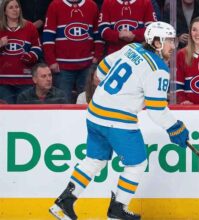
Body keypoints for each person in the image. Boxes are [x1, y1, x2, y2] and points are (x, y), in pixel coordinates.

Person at [49, 21, 189, 220]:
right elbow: (157, 109)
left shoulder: (131, 47)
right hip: (118, 121)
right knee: (137, 163)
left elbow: (100, 71)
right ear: (156, 42)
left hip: (95, 113)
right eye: (168, 41)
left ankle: (64, 202)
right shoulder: (158, 69)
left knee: (94, 160)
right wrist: (176, 128)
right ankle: (117, 209)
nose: (173, 46)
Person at [43, 0, 103, 103]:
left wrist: (97, 55)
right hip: (62, 67)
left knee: (89, 102)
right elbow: (48, 35)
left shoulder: (91, 5)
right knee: (62, 103)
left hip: (87, 66)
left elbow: (97, 33)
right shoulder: (55, 5)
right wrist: (51, 60)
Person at [0, 0, 42, 104]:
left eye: (17, 7)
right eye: (11, 7)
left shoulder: (30, 27)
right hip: (4, 81)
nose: (15, 10)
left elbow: (37, 47)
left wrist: (31, 56)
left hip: (25, 80)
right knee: (8, 115)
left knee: (26, 114)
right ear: (4, 11)